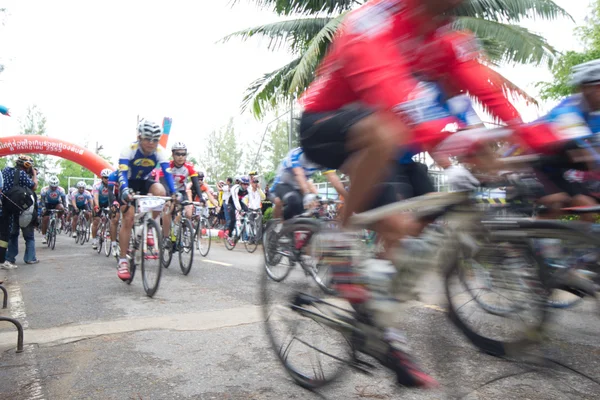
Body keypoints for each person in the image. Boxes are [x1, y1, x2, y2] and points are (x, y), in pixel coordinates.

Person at [297, 0, 530, 387]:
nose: (451, 13)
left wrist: (522, 133)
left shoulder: (448, 36)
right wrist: (453, 142)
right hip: (327, 127)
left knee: (409, 236)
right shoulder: (372, 20)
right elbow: (390, 89)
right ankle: (340, 238)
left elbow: (471, 89)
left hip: (385, 139)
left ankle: (380, 326)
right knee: (388, 146)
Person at [117, 120, 179, 281]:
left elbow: (167, 174)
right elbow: (122, 174)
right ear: (139, 137)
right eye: (147, 139)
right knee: (128, 218)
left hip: (144, 182)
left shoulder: (160, 151)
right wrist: (124, 190)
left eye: (155, 139)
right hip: (127, 182)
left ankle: (149, 226)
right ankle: (123, 260)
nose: (151, 143)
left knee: (160, 190)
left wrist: (174, 193)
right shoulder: (129, 150)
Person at [0, 155, 38, 270]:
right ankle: (30, 258)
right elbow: (34, 186)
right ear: (27, 166)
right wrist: (34, 174)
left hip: (5, 206)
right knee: (28, 235)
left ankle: (9, 258)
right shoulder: (22, 175)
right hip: (18, 208)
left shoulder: (6, 170)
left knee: (11, 234)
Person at [40, 176, 67, 244]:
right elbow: (42, 200)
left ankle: (58, 220)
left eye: (55, 187)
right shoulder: (44, 189)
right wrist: (43, 207)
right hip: (47, 203)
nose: (54, 188)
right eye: (52, 187)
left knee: (61, 208)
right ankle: (44, 236)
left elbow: (63, 200)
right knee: (45, 219)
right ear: (49, 185)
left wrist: (65, 208)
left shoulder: (61, 190)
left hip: (56, 203)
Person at [91, 168, 113, 250]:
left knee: (112, 218)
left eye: (109, 177)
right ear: (102, 178)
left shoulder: (113, 185)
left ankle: (106, 229)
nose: (107, 179)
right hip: (98, 202)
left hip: (108, 202)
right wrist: (96, 206)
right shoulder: (97, 185)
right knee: (96, 220)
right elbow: (95, 196)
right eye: (105, 177)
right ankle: (94, 240)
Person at [225, 176, 250, 245]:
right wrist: (240, 210)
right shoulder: (235, 188)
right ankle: (229, 236)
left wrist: (251, 210)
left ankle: (240, 229)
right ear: (240, 183)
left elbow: (250, 199)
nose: (246, 186)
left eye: (247, 184)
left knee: (248, 211)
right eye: (244, 184)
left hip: (239, 202)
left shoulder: (248, 189)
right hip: (231, 202)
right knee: (233, 219)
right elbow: (235, 200)